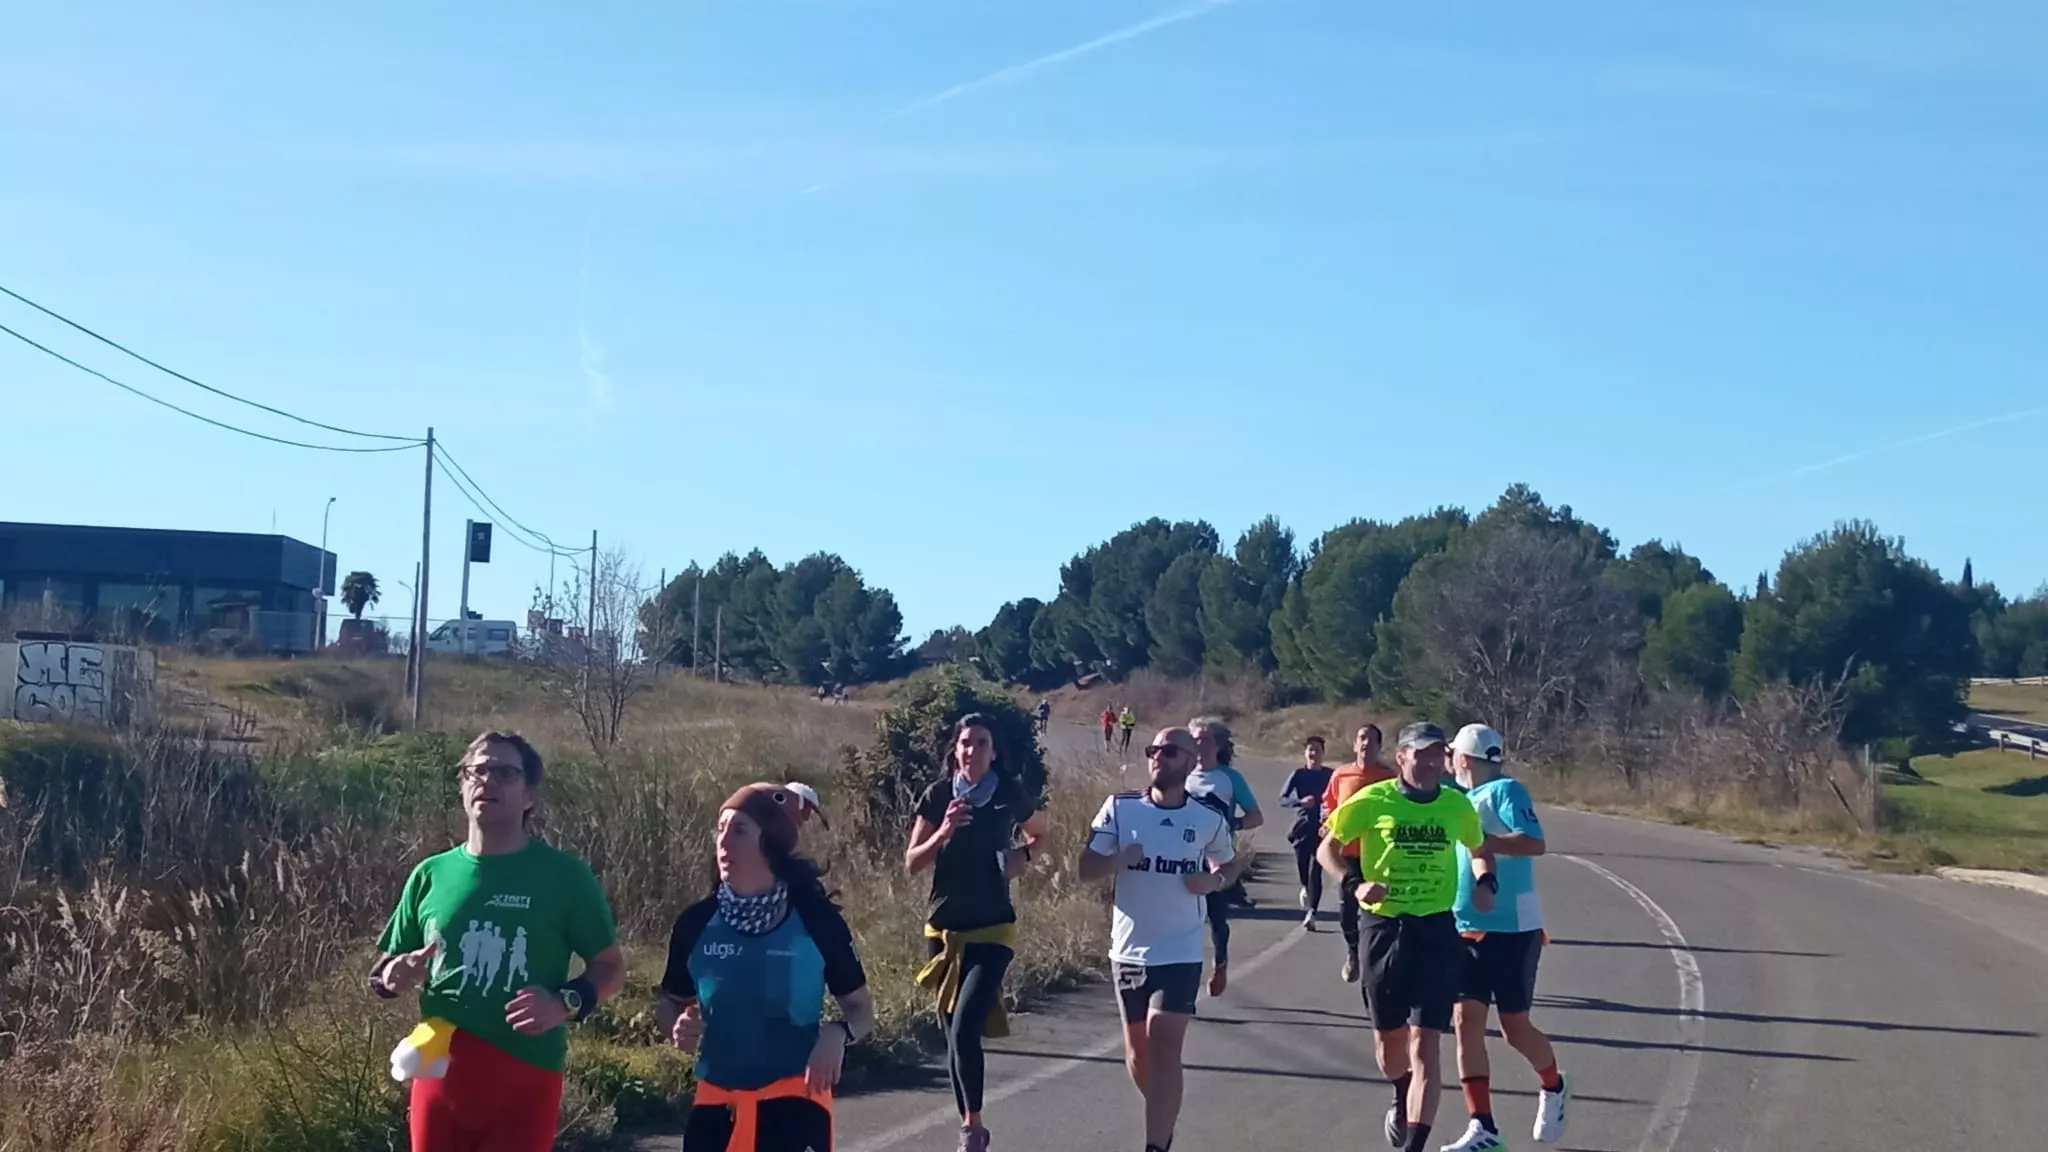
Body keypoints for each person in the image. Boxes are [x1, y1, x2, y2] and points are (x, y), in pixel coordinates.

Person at [371, 731, 628, 1152]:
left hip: (525, 1073)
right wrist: (390, 977)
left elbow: (611, 967)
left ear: (529, 795)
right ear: (462, 785)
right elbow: (382, 973)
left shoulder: (564, 876)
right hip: (441, 1071)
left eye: (504, 773)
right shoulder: (430, 874)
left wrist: (565, 1001)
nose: (487, 781)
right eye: (477, 771)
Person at [659, 783, 876, 1151]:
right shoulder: (696, 923)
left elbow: (862, 1012)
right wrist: (677, 1026)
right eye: (720, 828)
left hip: (795, 1106)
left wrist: (838, 1032)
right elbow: (669, 1004)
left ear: (771, 844)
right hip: (716, 1108)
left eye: (739, 830)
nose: (723, 842)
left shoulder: (815, 919)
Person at [1318, 722, 1490, 1152]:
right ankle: (1400, 1092)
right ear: (1401, 757)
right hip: (1383, 929)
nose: (1433, 762)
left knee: (1425, 1042)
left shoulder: (1456, 804)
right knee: (1390, 1046)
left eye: (1439, 754)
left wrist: (1486, 880)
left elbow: (1479, 847)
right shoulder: (1373, 801)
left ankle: (1415, 1144)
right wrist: (1353, 884)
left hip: (1435, 928)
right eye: (1423, 754)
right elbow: (1328, 848)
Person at [1081, 726, 1246, 1152]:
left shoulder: (1207, 818)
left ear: (1191, 761)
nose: (1158, 757)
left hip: (1180, 950)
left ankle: (1155, 1145)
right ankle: (1165, 1118)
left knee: (1164, 1042)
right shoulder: (1121, 809)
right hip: (1129, 949)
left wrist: (1211, 883)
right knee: (1138, 1056)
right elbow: (1087, 868)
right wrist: (1120, 859)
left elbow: (1229, 868)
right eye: (1153, 750)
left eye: (1169, 751)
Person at [905, 715, 1050, 1152]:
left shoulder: (1008, 793)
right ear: (956, 750)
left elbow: (1042, 832)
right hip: (945, 929)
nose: (972, 751)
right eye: (966, 743)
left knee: (966, 1025)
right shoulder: (937, 795)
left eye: (981, 743)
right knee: (952, 1030)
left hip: (994, 927)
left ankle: (972, 1129)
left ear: (994, 751)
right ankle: (971, 1125)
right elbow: (912, 861)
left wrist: (1022, 856)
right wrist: (944, 832)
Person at [1441, 724, 1570, 1151]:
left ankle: (1553, 1085)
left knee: (1514, 1029)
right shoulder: (1458, 799)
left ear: (1465, 758)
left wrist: (1485, 842)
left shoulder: (1505, 791)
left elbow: (1534, 843)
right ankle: (1483, 1128)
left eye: (1453, 753)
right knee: (1465, 1024)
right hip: (1464, 928)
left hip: (1513, 929)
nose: (1449, 760)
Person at [1187, 717, 1264, 997]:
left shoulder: (1230, 779)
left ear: (1218, 745)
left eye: (1205, 740)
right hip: (1183, 857)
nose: (1198, 745)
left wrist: (1232, 825)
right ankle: (1183, 989)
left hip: (1219, 859)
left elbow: (1256, 816)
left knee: (1217, 918)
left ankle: (1220, 964)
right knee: (1187, 925)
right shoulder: (1181, 773)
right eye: (1194, 739)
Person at [1321, 723, 1396, 983]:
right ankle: (1353, 951)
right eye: (1361, 738)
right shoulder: (1341, 775)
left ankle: (1380, 958)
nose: (1366, 744)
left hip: (1379, 856)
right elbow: (1329, 804)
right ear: (1355, 745)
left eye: (1372, 740)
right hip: (1348, 853)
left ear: (1379, 746)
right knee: (1347, 907)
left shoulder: (1389, 778)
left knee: (1381, 908)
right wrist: (1326, 822)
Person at [1279, 735, 1334, 931]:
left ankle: (1312, 912)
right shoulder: (1298, 774)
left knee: (1315, 869)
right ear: (1305, 753)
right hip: (1303, 827)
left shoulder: (1330, 775)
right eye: (1310, 750)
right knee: (1304, 866)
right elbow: (1283, 799)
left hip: (1323, 828)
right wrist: (1300, 802)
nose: (1313, 754)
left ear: (1323, 754)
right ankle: (1305, 887)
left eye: (1317, 750)